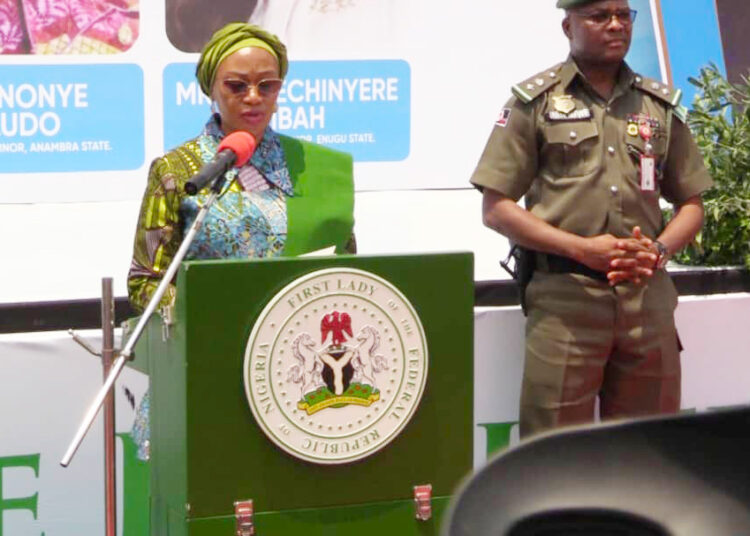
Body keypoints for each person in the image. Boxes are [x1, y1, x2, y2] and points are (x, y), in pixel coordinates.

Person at [470, 0, 713, 438]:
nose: (616, 25)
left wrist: (658, 251)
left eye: (624, 15)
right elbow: (496, 206)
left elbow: (692, 205)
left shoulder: (658, 105)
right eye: (599, 16)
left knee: (651, 451)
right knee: (554, 455)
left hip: (647, 301)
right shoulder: (535, 103)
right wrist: (581, 249)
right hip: (566, 301)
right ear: (569, 26)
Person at [127, 22, 355, 458]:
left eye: (266, 86)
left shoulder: (318, 169)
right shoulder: (178, 171)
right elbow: (144, 281)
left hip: (300, 375)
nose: (253, 97)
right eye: (237, 85)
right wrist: (213, 316)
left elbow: (346, 273)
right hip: (207, 365)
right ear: (212, 88)